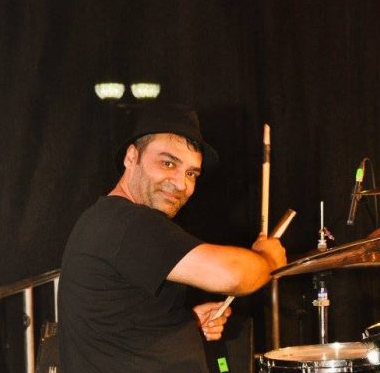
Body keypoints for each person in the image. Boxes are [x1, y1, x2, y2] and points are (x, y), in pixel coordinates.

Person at [58, 103, 287, 372]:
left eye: (191, 173)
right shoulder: (127, 222)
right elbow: (231, 275)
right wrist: (267, 260)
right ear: (132, 157)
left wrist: (188, 323)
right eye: (168, 163)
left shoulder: (110, 222)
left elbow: (121, 323)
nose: (181, 184)